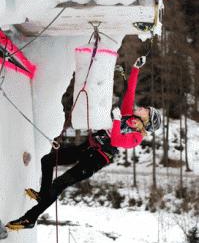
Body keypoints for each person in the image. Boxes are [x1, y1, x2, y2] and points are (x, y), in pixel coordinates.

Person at [6, 56, 161, 230]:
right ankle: (43, 195)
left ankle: (30, 219)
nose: (142, 108)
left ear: (147, 122)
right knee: (47, 160)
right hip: (86, 147)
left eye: (146, 111)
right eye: (145, 108)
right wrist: (135, 68)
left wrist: (116, 121)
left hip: (95, 160)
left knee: (58, 184)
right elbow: (130, 92)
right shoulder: (127, 115)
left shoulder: (136, 137)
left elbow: (117, 140)